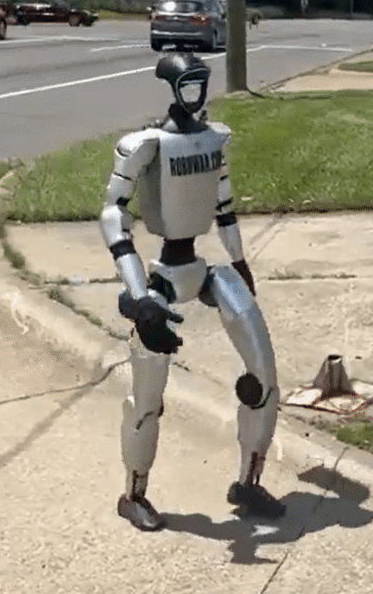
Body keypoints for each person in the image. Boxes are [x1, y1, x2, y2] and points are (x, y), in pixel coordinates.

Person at [99, 51, 286, 531]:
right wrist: (139, 294)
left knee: (262, 373)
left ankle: (249, 480)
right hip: (159, 277)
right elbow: (113, 213)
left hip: (204, 270)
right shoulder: (146, 144)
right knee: (147, 396)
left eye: (200, 83)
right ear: (172, 87)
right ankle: (134, 493)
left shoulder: (214, 138)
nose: (195, 92)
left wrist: (240, 259)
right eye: (187, 84)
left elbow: (223, 206)